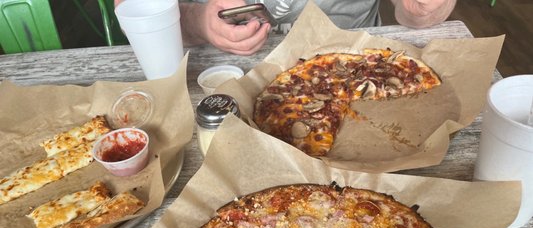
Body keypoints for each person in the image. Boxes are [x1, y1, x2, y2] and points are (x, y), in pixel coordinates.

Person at [116, 0, 456, 55]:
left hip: (359, 65)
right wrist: (196, 21)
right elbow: (131, 9)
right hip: (209, 78)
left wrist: (421, 12)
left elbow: (414, 15)